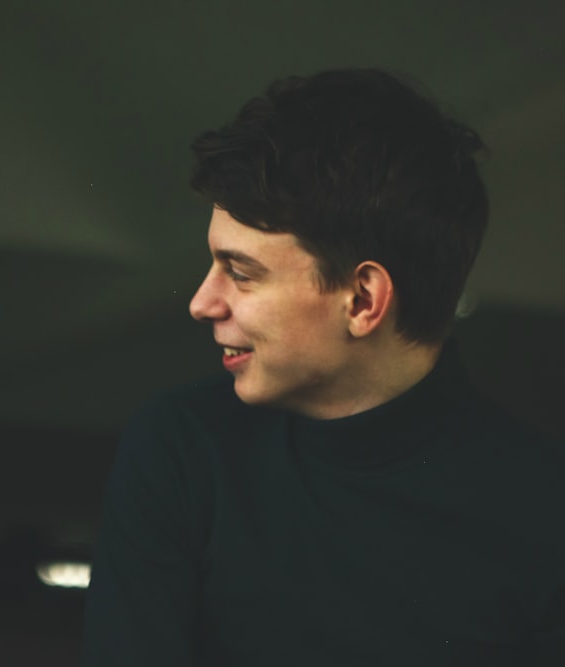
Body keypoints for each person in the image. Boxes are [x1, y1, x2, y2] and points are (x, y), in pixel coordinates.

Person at [81, 69, 565, 665]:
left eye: (241, 271)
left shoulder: (547, 513)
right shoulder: (182, 447)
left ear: (362, 300)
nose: (202, 302)